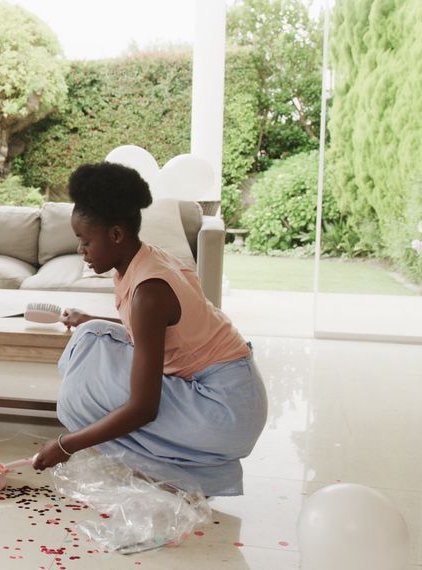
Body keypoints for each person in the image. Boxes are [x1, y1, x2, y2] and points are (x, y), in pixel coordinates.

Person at [31, 162, 267, 497]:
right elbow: (154, 332)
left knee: (81, 394)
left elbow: (144, 407)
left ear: (116, 234)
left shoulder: (149, 292)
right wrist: (90, 321)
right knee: (90, 336)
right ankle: (168, 461)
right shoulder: (145, 261)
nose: (80, 251)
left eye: (85, 241)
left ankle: (171, 475)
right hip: (232, 390)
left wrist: (67, 445)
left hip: (225, 409)